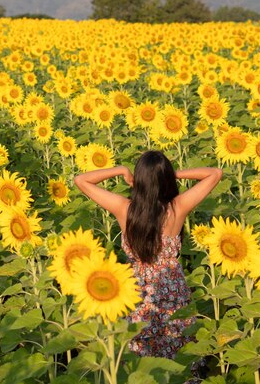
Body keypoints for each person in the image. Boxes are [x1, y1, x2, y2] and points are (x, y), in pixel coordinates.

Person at [74, 150, 222, 359]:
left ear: (139, 179)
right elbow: (215, 173)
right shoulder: (177, 208)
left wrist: (121, 170)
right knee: (178, 352)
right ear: (166, 179)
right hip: (171, 290)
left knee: (141, 358)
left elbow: (80, 180)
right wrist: (173, 174)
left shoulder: (124, 209)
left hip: (137, 292)